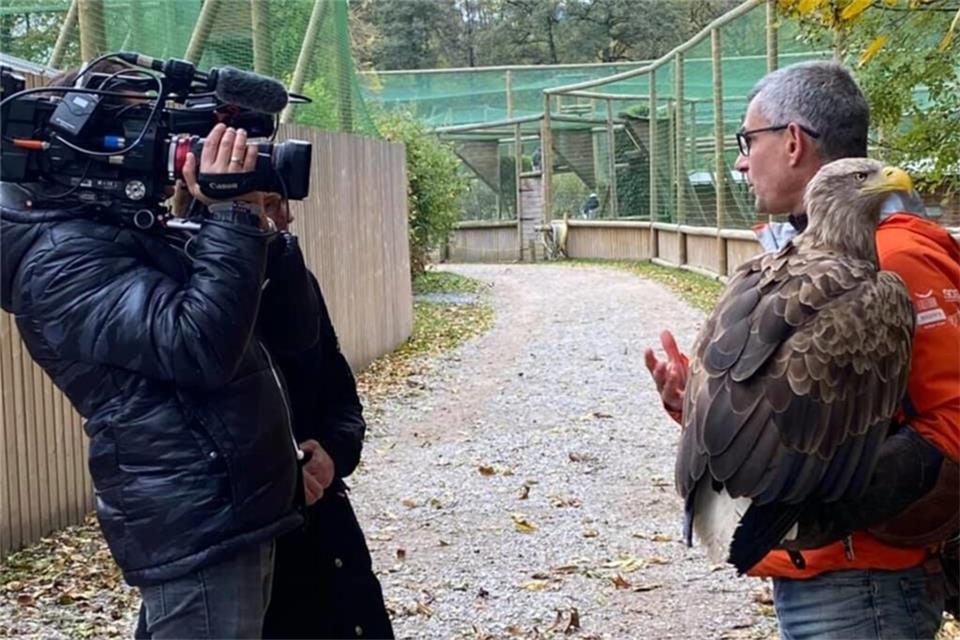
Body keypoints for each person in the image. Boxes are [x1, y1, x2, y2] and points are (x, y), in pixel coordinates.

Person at [644, 60, 959, 639]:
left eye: (747, 141)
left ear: (792, 142)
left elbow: (951, 425)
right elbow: (790, 413)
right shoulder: (765, 273)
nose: (740, 161)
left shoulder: (898, 264)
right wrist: (689, 402)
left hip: (865, 580)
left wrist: (825, 503)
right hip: (812, 570)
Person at [1, 66, 319, 637]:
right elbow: (199, 345)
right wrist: (233, 214)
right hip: (196, 516)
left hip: (224, 505)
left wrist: (245, 219)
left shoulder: (109, 228)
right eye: (134, 134)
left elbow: (286, 332)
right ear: (78, 152)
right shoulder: (58, 262)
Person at [255, 194, 394, 640]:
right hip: (252, 546)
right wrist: (280, 478)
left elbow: (341, 394)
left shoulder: (299, 280)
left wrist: (333, 452)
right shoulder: (180, 293)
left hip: (328, 522)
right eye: (273, 204)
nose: (288, 216)